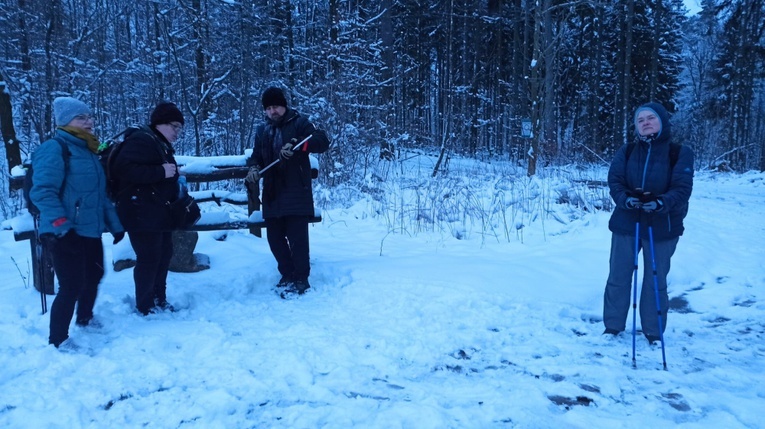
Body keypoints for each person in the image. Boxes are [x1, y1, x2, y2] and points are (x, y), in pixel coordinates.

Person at [29, 96, 125, 349]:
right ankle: (57, 340)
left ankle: (85, 319)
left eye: (89, 116)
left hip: (89, 229)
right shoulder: (55, 148)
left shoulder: (88, 150)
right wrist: (62, 226)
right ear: (65, 122)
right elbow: (42, 192)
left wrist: (114, 225)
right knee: (71, 285)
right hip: (64, 231)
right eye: (81, 117)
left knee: (94, 274)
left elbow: (99, 195)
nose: (89, 121)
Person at [602, 102, 694, 344]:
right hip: (626, 222)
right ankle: (612, 327)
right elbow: (615, 181)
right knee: (618, 275)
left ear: (662, 121)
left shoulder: (679, 153)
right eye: (640, 120)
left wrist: (661, 203)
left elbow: (682, 188)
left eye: (651, 118)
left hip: (662, 226)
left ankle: (653, 331)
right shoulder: (628, 151)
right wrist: (627, 200)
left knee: (655, 277)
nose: (645, 122)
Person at [246, 87, 330, 298]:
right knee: (274, 238)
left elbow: (322, 140)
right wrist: (254, 168)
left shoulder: (299, 122)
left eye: (276, 107)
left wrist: (299, 146)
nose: (273, 111)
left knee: (297, 238)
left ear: (284, 106)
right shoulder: (262, 130)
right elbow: (256, 156)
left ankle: (301, 278)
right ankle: (287, 274)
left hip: (296, 191)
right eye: (269, 108)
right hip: (272, 192)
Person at [112, 102, 184, 315]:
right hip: (140, 212)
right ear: (160, 123)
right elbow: (123, 170)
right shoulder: (141, 140)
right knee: (149, 258)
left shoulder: (156, 142)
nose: (177, 132)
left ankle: (158, 299)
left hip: (156, 212)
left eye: (180, 128)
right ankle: (145, 305)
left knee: (163, 255)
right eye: (175, 126)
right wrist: (161, 172)